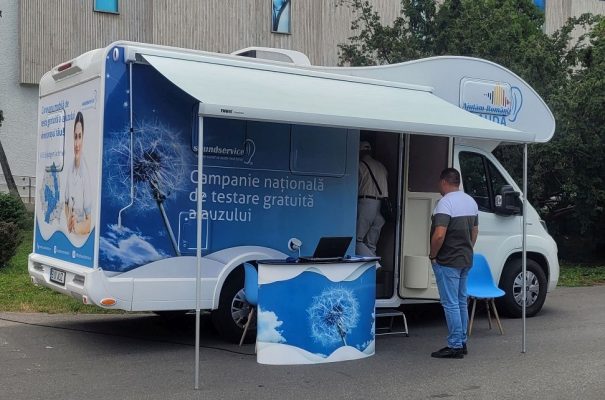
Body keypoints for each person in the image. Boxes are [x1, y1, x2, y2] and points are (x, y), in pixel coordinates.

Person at [429, 168, 478, 359]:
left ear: (444, 182)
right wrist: (468, 248)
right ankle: (462, 341)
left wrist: (433, 255)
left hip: (448, 260)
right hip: (465, 258)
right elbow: (475, 232)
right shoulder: (470, 201)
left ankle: (455, 345)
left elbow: (439, 235)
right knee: (460, 301)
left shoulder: (445, 203)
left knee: (450, 303)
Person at [356, 140, 388, 257]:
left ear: (359, 151)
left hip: (366, 203)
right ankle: (373, 266)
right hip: (381, 206)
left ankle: (374, 263)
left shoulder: (359, 165)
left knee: (357, 240)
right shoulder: (381, 166)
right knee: (371, 243)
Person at [64, 111, 92, 235]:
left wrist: (76, 226)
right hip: (70, 236)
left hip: (80, 241)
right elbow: (66, 203)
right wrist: (68, 219)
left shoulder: (85, 173)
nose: (76, 143)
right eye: (75, 136)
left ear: (83, 138)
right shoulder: (70, 169)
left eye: (79, 136)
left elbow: (89, 224)